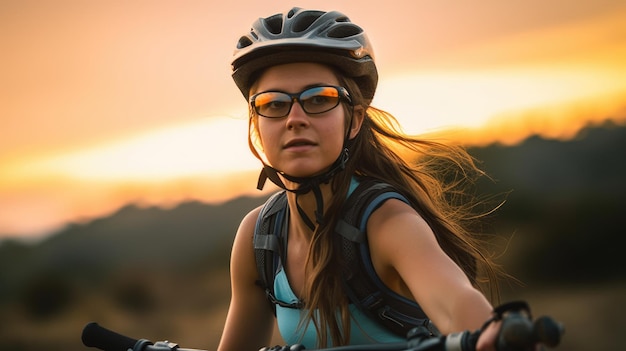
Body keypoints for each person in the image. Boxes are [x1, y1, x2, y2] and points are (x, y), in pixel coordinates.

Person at [218, 7, 510, 351]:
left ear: (354, 120)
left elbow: (455, 301)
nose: (294, 118)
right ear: (256, 123)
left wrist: (491, 331)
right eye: (273, 103)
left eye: (319, 99)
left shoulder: (387, 222)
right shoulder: (260, 238)